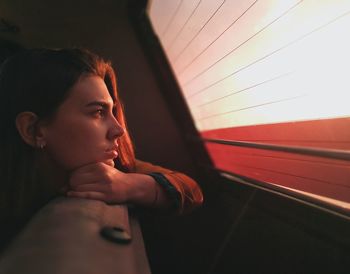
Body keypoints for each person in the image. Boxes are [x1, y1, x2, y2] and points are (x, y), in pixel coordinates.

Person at [0, 48, 203, 240]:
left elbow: (191, 189)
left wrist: (130, 185)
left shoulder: (115, 169)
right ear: (33, 130)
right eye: (98, 112)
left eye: (112, 111)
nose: (119, 130)